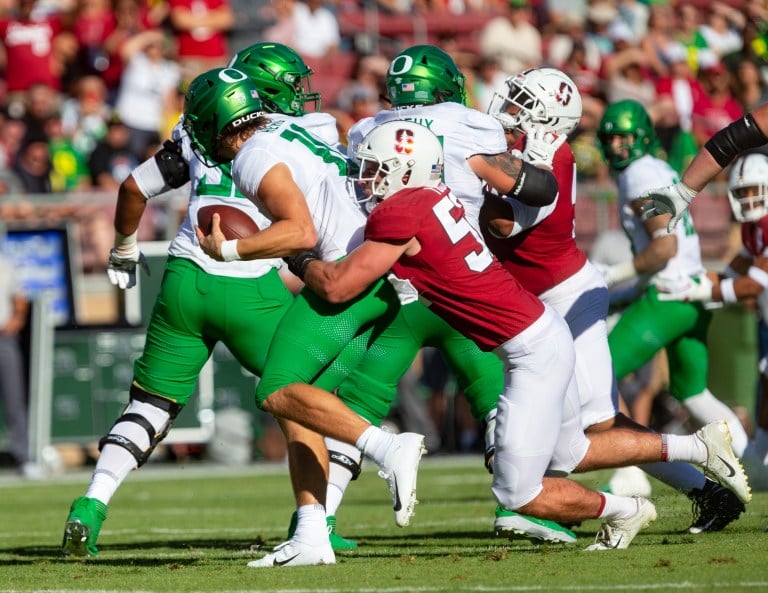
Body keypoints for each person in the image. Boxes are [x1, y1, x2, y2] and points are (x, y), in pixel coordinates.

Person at [299, 118, 750, 551]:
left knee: (530, 481)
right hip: (540, 325)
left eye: (377, 170)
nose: (366, 180)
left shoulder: (411, 208)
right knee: (568, 452)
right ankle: (693, 450)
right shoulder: (443, 194)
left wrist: (299, 257)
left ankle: (630, 506)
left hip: (545, 328)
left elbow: (343, 284)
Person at [482, 68, 746, 541]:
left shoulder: (555, 158)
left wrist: (618, 277)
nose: (509, 107)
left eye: (522, 101)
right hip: (540, 305)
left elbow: (501, 226)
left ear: (548, 116)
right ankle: (700, 483)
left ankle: (698, 460)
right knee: (576, 428)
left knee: (597, 424)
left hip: (566, 300)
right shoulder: (528, 152)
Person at [186, 67, 428, 568]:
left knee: (275, 389)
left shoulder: (253, 155)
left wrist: (230, 250)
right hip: (381, 273)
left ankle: (388, 447)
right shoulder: (290, 127)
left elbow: (299, 232)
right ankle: (312, 533)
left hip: (352, 274)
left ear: (217, 122)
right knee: (297, 405)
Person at [595, 99, 750, 466]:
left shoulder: (638, 175)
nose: (617, 146)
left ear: (643, 137)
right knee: (692, 393)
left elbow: (665, 246)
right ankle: (753, 466)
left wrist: (611, 275)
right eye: (611, 138)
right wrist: (627, 292)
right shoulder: (656, 167)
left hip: (669, 296)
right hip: (690, 294)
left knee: (595, 376)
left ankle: (627, 470)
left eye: (624, 138)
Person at [654, 151, 768, 491]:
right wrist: (701, 280)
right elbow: (736, 269)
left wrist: (702, 290)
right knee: (763, 390)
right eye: (742, 192)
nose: (748, 199)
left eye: (754, 191)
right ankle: (760, 453)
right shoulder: (753, 229)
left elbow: (752, 285)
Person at [0, 232, 35, 478]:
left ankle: (24, 458)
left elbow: (20, 300)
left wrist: (16, 321)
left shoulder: (5, 266)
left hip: (4, 338)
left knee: (14, 399)